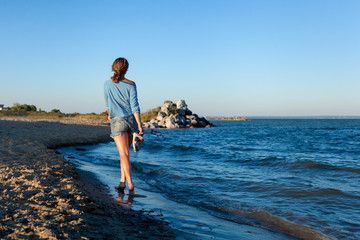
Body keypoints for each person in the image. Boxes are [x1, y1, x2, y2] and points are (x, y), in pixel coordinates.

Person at [104, 57, 144, 194]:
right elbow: (135, 107)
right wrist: (140, 125)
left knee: (124, 154)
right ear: (126, 69)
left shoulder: (107, 84)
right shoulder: (132, 84)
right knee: (125, 155)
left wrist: (110, 116)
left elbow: (107, 105)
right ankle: (122, 182)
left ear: (114, 68)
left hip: (117, 121)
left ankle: (130, 185)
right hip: (131, 121)